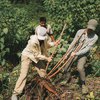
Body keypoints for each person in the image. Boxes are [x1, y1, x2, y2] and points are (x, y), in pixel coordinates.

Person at [11, 27, 59, 100]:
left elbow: (46, 45)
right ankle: (15, 93)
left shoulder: (44, 37)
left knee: (43, 72)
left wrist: (54, 43)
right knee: (23, 74)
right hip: (27, 56)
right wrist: (47, 58)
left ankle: (48, 87)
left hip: (36, 56)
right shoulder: (33, 41)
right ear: (37, 34)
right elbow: (36, 55)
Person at [66, 19, 98, 94]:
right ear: (87, 26)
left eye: (91, 29)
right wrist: (68, 53)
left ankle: (83, 84)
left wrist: (76, 54)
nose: (90, 30)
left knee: (80, 68)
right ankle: (66, 79)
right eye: (89, 28)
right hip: (74, 51)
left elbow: (87, 49)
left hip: (83, 54)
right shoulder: (80, 31)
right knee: (66, 66)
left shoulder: (95, 37)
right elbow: (73, 42)